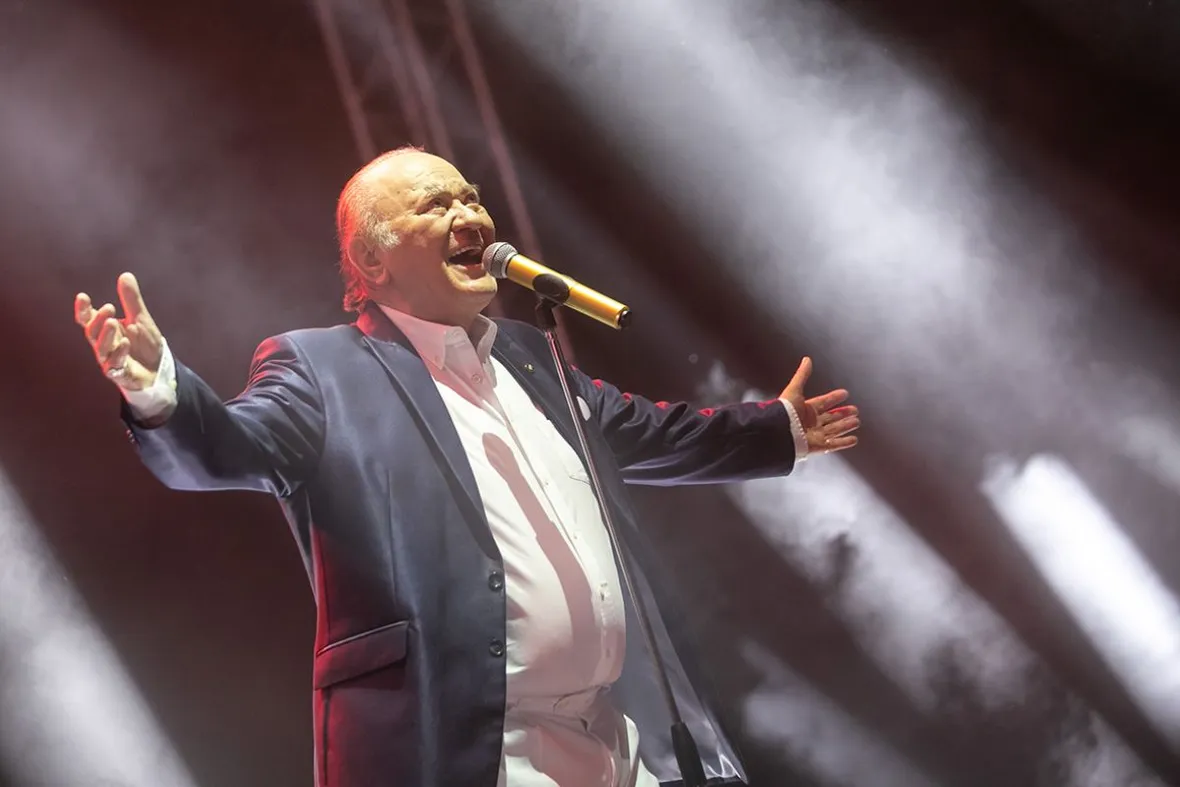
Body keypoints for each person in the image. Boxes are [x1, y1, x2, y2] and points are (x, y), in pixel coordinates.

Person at [73, 149, 859, 787]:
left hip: (615, 733)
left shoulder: (527, 353)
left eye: (471, 197)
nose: (470, 214)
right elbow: (226, 447)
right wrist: (159, 390)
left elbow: (648, 431)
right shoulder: (323, 369)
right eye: (435, 205)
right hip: (469, 749)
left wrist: (779, 429)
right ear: (373, 260)